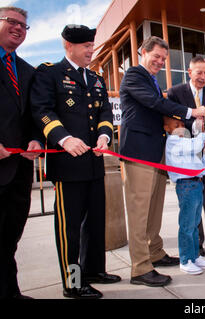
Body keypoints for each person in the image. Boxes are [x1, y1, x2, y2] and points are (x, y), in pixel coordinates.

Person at [30, 24, 121, 299]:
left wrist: (105, 136)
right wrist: (64, 138)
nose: (91, 51)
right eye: (85, 46)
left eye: (92, 46)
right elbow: (41, 110)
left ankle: (93, 271)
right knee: (69, 229)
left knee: (95, 223)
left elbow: (104, 111)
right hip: (67, 166)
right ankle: (72, 282)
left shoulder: (95, 78)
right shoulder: (50, 73)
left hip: (93, 162)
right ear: (68, 45)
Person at [119, 36, 205, 287]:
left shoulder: (152, 80)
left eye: (164, 58)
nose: (160, 61)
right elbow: (154, 103)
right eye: (156, 56)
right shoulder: (134, 75)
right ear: (143, 52)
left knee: (154, 207)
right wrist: (190, 112)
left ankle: (154, 252)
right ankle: (140, 268)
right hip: (138, 152)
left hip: (155, 152)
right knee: (139, 211)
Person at [167, 56, 205, 256]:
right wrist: (194, 122)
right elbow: (173, 122)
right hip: (186, 157)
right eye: (199, 72)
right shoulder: (175, 93)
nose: (203, 77)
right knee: (193, 203)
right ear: (189, 72)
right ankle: (198, 243)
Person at [0, 6, 42, 299]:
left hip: (19, 172)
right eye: (11, 22)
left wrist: (37, 140)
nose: (18, 28)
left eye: (23, 26)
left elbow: (35, 115)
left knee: (9, 239)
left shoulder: (27, 71)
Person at [164, 116, 205, 275]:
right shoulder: (173, 142)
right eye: (176, 125)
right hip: (185, 186)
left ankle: (195, 256)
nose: (181, 127)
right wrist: (203, 133)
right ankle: (185, 260)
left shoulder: (187, 143)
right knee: (187, 224)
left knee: (194, 223)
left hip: (197, 183)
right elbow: (194, 146)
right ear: (167, 129)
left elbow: (201, 162)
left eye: (182, 125)